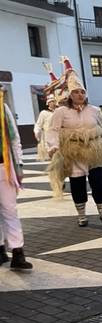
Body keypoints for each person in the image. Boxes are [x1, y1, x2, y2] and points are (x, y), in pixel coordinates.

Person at [46, 57, 102, 226]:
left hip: (94, 150)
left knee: (98, 182)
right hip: (73, 151)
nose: (80, 95)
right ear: (70, 94)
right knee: (77, 184)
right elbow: (53, 130)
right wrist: (53, 145)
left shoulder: (94, 110)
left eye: (82, 92)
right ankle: (82, 216)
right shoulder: (61, 111)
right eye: (76, 92)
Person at [0, 85, 32, 270]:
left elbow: (14, 139)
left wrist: (18, 165)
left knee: (9, 209)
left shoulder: (2, 108)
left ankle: (18, 252)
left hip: (4, 166)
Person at [33, 95, 55, 161]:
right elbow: (38, 124)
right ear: (48, 103)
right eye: (52, 101)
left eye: (54, 101)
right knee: (52, 155)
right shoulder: (44, 113)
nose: (53, 103)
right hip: (49, 137)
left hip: (59, 136)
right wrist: (37, 132)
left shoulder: (59, 111)